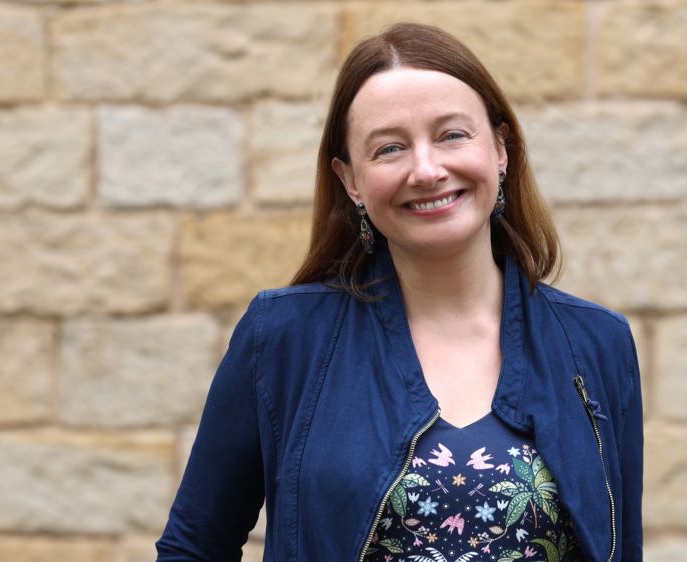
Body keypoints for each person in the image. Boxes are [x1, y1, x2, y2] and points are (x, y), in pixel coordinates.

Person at [156, 22, 643, 562]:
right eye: (390, 148)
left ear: (500, 149)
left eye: (452, 134)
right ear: (351, 181)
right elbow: (194, 547)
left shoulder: (598, 343)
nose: (427, 169)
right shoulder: (283, 338)